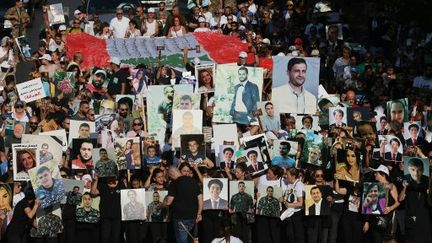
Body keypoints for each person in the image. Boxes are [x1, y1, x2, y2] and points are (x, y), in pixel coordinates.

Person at [164, 166, 203, 243]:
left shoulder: (174, 183)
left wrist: (161, 204)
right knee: (192, 240)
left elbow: (169, 202)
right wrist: (199, 213)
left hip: (180, 218)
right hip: (193, 217)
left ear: (171, 175)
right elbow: (200, 199)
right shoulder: (193, 181)